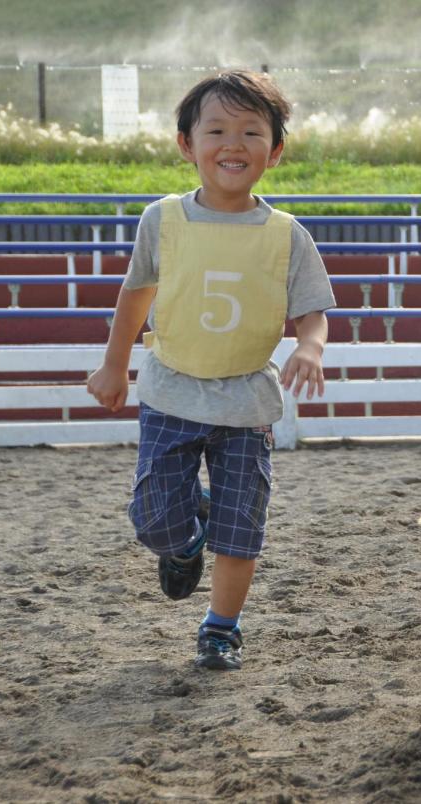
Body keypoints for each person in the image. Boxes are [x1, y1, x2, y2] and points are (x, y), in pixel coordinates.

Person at [86, 70, 336, 669]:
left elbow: (312, 312)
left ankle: (221, 628)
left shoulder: (286, 235)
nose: (234, 143)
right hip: (171, 392)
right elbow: (134, 297)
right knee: (154, 521)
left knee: (241, 527)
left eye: (252, 132)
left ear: (274, 151)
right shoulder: (163, 220)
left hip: (246, 403)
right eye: (217, 129)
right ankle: (181, 544)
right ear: (186, 144)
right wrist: (114, 365)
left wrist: (311, 348)